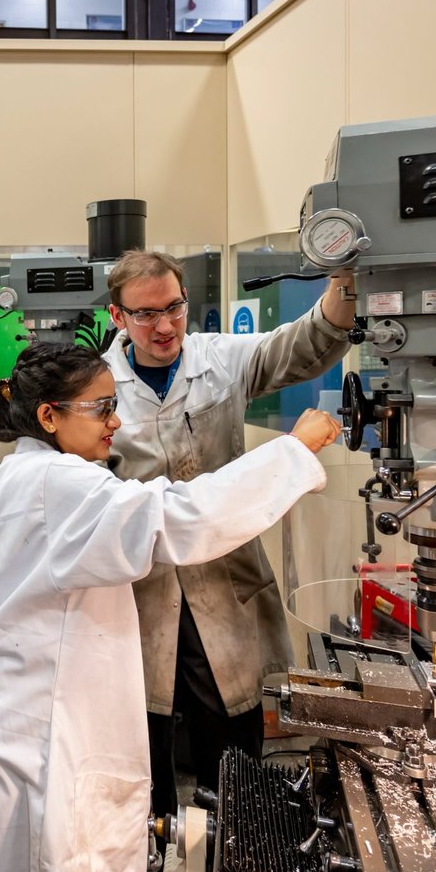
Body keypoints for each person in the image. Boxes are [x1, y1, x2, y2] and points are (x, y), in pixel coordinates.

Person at [0, 343, 340, 872]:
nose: (116, 421)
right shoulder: (60, 485)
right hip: (39, 742)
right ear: (48, 415)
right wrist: (292, 452)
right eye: (100, 409)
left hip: (16, 722)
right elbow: (176, 518)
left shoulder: (22, 474)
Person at [98, 250, 353, 820]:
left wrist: (348, 283)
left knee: (233, 734)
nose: (164, 326)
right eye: (145, 315)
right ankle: (152, 856)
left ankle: (240, 851)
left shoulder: (220, 359)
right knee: (142, 735)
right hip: (143, 582)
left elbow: (307, 343)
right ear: (117, 317)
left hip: (224, 578)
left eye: (174, 308)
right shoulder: (97, 386)